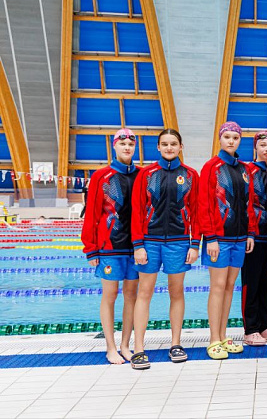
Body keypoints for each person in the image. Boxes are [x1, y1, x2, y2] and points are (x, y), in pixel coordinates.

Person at [130, 129, 199, 369]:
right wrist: (138, 244)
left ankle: (176, 343)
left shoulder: (190, 175)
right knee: (144, 293)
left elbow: (196, 211)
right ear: (158, 147)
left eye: (173, 144)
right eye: (165, 144)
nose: (169, 148)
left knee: (176, 292)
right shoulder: (147, 174)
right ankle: (139, 348)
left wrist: (195, 244)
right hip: (149, 241)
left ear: (181, 147)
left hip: (179, 242)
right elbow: (137, 210)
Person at [81, 128, 140, 365]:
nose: (127, 147)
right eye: (122, 143)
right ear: (114, 146)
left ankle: (125, 345)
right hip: (109, 246)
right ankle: (110, 347)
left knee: (131, 296)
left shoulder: (141, 175)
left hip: (135, 246)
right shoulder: (101, 176)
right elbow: (92, 214)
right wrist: (91, 248)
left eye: (131, 144)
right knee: (110, 294)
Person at [198, 122, 257, 360]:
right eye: (227, 137)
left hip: (240, 238)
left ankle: (223, 336)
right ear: (220, 139)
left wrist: (250, 232)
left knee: (230, 286)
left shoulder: (244, 169)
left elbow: (249, 203)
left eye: (235, 137)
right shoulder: (211, 167)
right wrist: (210, 237)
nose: (231, 141)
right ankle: (213, 338)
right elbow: (204, 204)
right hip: (219, 239)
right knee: (218, 286)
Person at [242, 131, 267, 346]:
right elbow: (244, 203)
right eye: (263, 145)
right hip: (254, 237)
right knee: (251, 283)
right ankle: (251, 329)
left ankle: (265, 327)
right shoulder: (248, 171)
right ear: (255, 147)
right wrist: (249, 232)